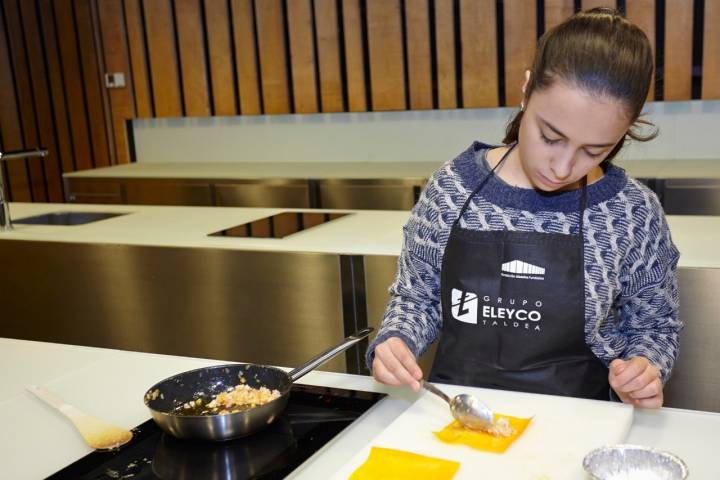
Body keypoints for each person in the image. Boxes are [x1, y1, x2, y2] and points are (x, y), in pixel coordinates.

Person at [366, 7, 681, 409]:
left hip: (579, 424)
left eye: (595, 150)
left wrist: (645, 368)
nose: (563, 167)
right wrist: (396, 341)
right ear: (527, 89)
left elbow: (654, 327)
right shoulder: (453, 187)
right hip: (460, 420)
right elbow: (417, 299)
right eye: (551, 137)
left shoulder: (631, 212)